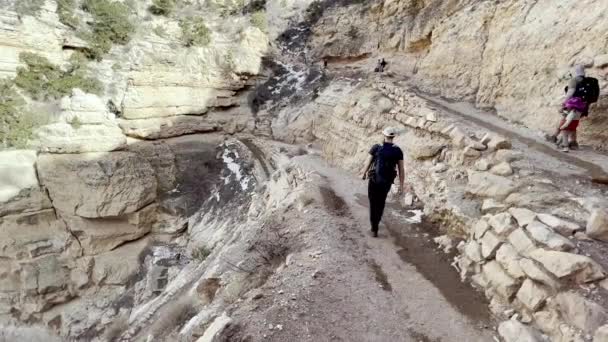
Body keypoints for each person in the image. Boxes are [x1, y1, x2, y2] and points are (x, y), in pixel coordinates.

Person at [359, 127, 405, 237]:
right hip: (387, 182)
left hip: (374, 180)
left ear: (384, 135)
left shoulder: (376, 147)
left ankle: (374, 228)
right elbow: (401, 169)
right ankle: (377, 222)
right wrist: (401, 185)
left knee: (373, 202)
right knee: (381, 202)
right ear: (393, 137)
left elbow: (368, 162)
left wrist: (364, 173)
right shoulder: (398, 150)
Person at [549, 65, 599, 149]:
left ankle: (554, 137)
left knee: (564, 121)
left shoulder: (574, 80)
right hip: (583, 106)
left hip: (572, 105)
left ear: (575, 71)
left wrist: (564, 103)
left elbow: (570, 93)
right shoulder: (588, 81)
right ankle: (573, 142)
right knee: (573, 123)